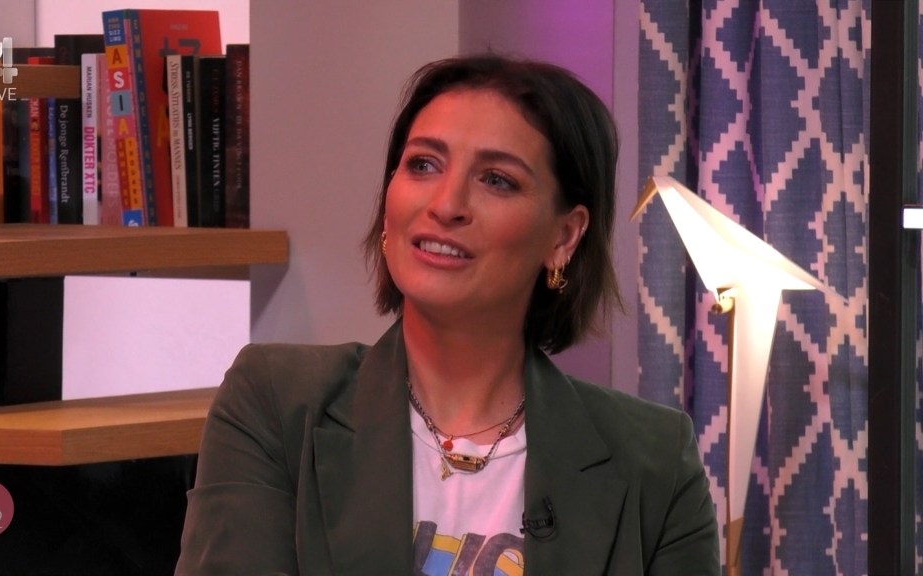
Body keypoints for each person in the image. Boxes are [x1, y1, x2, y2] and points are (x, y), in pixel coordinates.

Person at [176, 54, 719, 575]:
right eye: (423, 165)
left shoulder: (655, 462)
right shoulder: (275, 401)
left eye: (497, 179)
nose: (445, 204)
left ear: (564, 236)